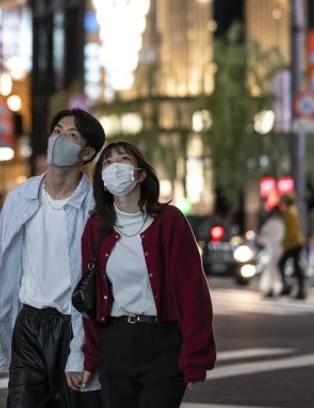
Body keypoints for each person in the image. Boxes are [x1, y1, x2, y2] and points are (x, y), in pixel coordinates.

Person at [0, 108, 105, 408]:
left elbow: (99, 283)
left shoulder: (95, 209)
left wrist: (80, 350)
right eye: (56, 131)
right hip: (29, 326)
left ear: (86, 153)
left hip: (73, 327)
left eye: (71, 135)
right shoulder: (20, 197)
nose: (59, 139)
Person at [80, 142, 215, 408]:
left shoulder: (170, 221)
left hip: (163, 343)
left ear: (141, 174)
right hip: (116, 342)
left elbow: (192, 292)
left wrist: (195, 358)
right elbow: (91, 300)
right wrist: (90, 357)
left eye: (123, 159)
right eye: (107, 162)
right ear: (102, 180)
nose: (114, 166)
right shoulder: (96, 227)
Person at [278, 195, 306, 300]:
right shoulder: (292, 211)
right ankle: (297, 288)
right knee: (295, 266)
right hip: (295, 243)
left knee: (283, 264)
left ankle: (292, 287)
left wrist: (286, 243)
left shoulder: (290, 213)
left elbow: (291, 231)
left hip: (293, 244)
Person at [258, 206, 285, 298]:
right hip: (278, 251)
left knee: (271, 270)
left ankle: (272, 288)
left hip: (272, 251)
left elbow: (261, 237)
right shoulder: (281, 224)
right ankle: (275, 288)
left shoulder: (269, 224)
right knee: (275, 270)